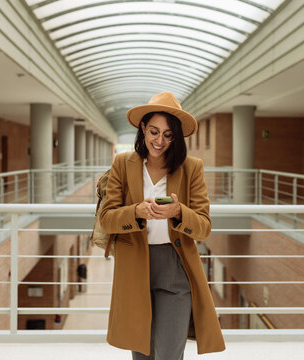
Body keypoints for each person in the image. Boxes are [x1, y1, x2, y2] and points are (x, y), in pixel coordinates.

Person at [100, 92, 225, 359]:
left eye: (168, 135)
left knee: (169, 354)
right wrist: (137, 211)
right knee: (142, 354)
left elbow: (204, 227)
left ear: (176, 137)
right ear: (143, 127)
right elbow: (107, 218)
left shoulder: (191, 168)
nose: (159, 141)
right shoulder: (122, 164)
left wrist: (179, 211)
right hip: (134, 266)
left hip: (175, 267)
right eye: (154, 132)